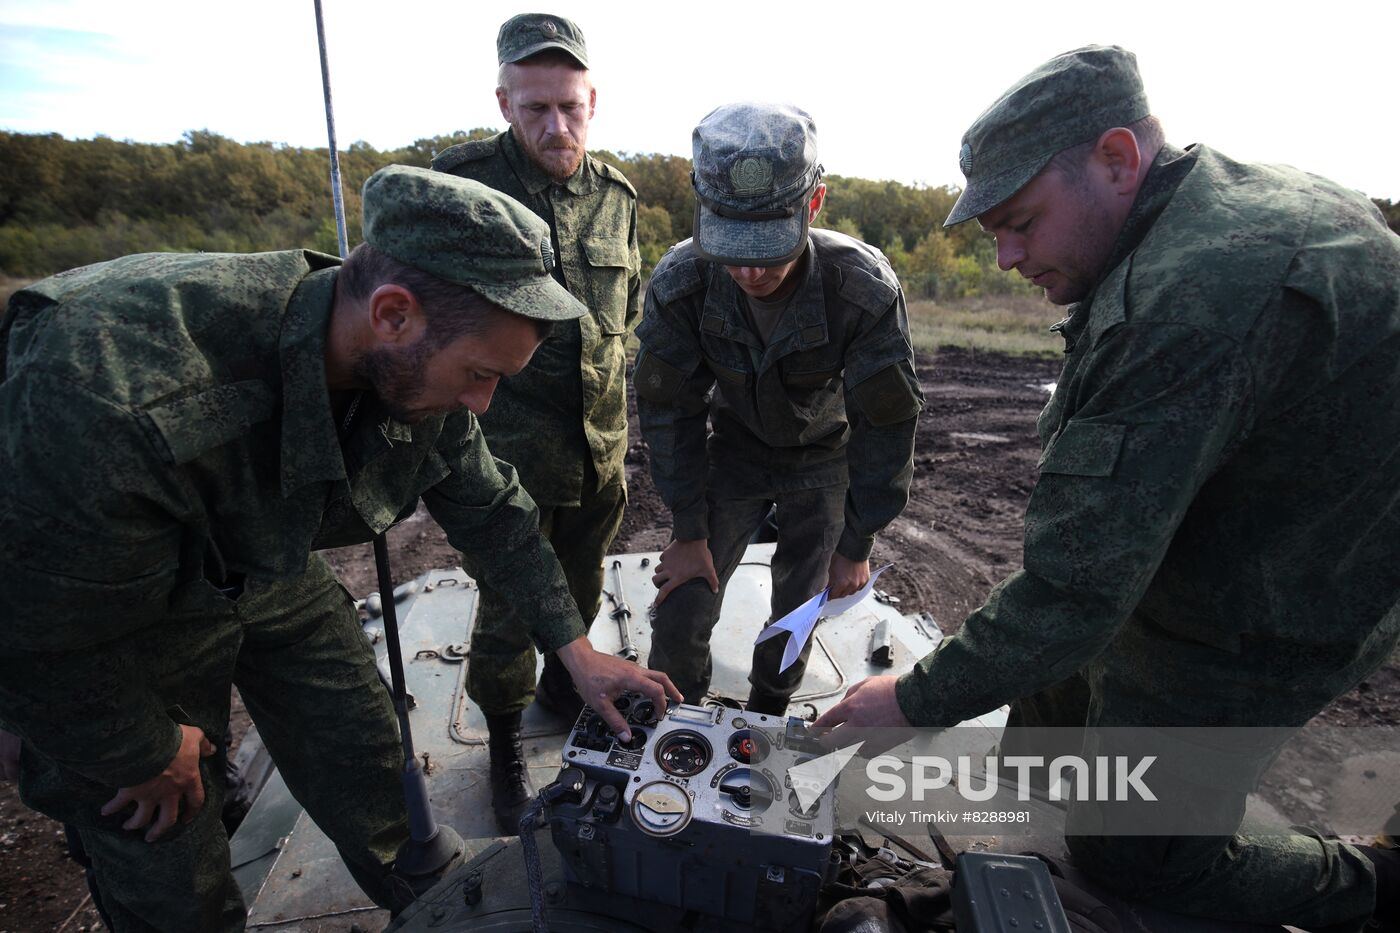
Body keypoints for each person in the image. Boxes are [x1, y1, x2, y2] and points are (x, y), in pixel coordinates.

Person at [0, 164, 677, 933]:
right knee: (167, 851)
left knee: (365, 751)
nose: (481, 403)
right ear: (391, 314)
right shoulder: (106, 391)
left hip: (269, 569)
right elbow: (27, 631)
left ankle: (432, 898)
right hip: (116, 616)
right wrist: (137, 747)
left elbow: (494, 513)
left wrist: (575, 651)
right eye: (478, 374)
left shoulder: (415, 357)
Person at [815, 46, 1400, 931]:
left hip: (1280, 591)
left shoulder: (1198, 293)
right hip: (1205, 527)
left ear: (1118, 159)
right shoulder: (1184, 216)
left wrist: (909, 698)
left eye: (1022, 222)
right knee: (1043, 739)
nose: (1007, 257)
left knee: (1138, 855)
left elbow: (1080, 586)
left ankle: (1374, 881)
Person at [635, 102, 923, 716]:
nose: (749, 269)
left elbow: (887, 426)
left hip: (822, 461)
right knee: (683, 600)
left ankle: (768, 711)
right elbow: (669, 412)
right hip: (733, 454)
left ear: (813, 204)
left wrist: (857, 542)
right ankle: (676, 720)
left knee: (799, 609)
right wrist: (689, 530)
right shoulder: (682, 282)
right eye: (731, 242)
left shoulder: (861, 289)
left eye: (769, 245)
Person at [429, 12, 641, 833]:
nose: (556, 126)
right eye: (535, 108)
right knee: (511, 610)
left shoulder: (617, 198)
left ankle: (565, 683)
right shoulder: (464, 188)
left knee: (582, 589)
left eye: (569, 107)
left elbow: (624, 319)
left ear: (593, 101)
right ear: (503, 103)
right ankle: (504, 740)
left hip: (597, 453)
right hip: (507, 458)